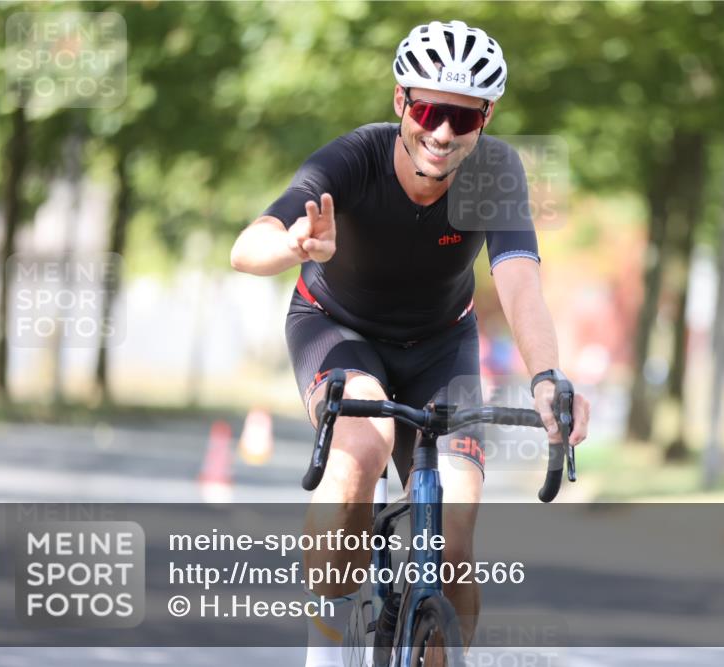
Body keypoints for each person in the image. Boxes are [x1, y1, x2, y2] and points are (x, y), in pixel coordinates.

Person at [230, 19, 590, 665]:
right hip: (338, 328)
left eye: (463, 116)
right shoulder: (355, 158)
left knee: (455, 531)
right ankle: (327, 643)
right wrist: (293, 246)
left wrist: (546, 378)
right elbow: (245, 247)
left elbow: (520, 283)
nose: (443, 132)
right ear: (401, 100)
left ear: (486, 117)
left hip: (440, 344)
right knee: (360, 450)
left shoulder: (493, 171)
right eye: (427, 110)